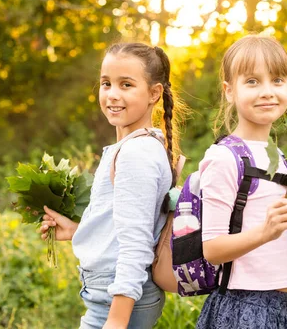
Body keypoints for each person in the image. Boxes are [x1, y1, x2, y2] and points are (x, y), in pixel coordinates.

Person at [40, 43, 184, 329]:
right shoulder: (141, 146)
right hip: (114, 297)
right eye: (106, 83)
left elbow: (136, 245)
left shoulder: (135, 154)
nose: (112, 94)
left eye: (126, 84)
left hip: (118, 302)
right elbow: (130, 226)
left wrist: (117, 321)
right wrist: (78, 231)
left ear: (154, 93)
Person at [196, 35, 287, 329]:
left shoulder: (279, 156)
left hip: (279, 309)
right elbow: (214, 248)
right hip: (242, 309)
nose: (267, 92)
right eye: (253, 81)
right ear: (229, 91)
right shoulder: (225, 158)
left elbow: (269, 241)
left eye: (278, 80)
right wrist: (266, 231)